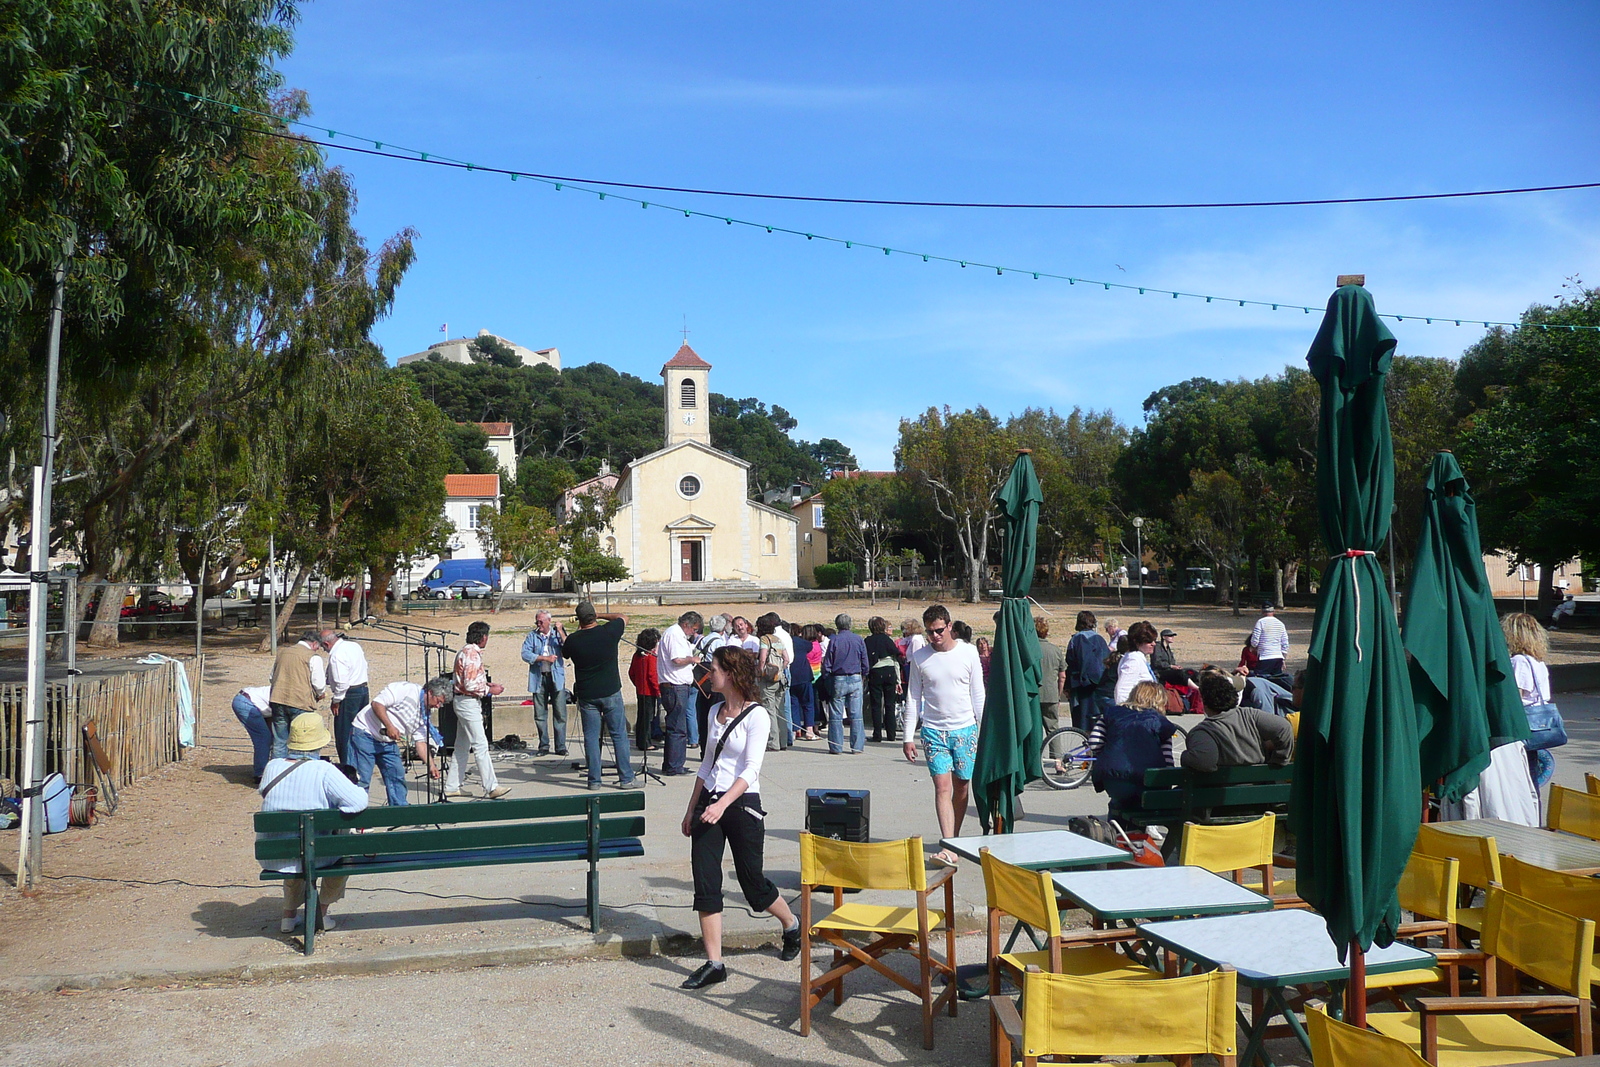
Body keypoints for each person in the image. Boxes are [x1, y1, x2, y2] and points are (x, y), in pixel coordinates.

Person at [679, 645, 802, 990]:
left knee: (754, 886)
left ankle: (791, 925)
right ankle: (714, 962)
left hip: (742, 803)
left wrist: (722, 805)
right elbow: (706, 764)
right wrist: (693, 809)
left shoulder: (757, 716)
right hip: (710, 802)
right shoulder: (714, 710)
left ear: (730, 674)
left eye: (714, 668)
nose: (708, 673)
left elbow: (750, 770)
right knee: (705, 881)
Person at [258, 713, 369, 934]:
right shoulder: (324, 770)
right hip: (317, 855)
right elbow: (358, 802)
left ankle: (288, 916)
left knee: (296, 843)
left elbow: (263, 791)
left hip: (274, 855)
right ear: (320, 741)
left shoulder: (272, 766)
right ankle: (321, 913)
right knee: (338, 845)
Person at [904, 603, 986, 867]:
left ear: (949, 626)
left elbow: (978, 695)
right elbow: (913, 697)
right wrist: (908, 736)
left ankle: (956, 838)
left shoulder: (969, 653)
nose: (935, 636)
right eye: (930, 632)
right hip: (933, 731)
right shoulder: (920, 657)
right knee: (942, 787)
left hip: (965, 729)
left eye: (939, 630)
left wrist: (983, 730)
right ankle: (948, 843)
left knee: (962, 786)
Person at [563, 601, 635, 790]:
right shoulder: (608, 632)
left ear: (579, 619)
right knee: (619, 735)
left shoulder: (574, 640)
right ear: (594, 616)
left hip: (587, 695)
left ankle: (594, 780)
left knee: (592, 738)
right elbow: (623, 617)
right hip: (610, 691)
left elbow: (565, 652)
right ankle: (626, 778)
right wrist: (602, 615)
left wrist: (571, 630)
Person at [349, 676, 448, 806]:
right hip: (365, 733)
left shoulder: (425, 715)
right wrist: (389, 726)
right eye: (438, 701)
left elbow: (420, 742)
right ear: (430, 692)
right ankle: (356, 812)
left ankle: (398, 811)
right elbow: (377, 704)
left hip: (387, 742)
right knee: (361, 778)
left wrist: (431, 765)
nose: (438, 706)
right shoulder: (406, 690)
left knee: (396, 775)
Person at [1087, 680, 1178, 816]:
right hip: (1148, 784)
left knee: (1117, 802)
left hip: (1113, 780)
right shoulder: (1161, 722)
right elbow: (1168, 761)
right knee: (1141, 804)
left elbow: (1094, 743)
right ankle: (1137, 831)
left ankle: (1115, 829)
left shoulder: (1111, 713)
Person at [446, 621, 510, 800]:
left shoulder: (464, 651)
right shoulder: (472, 655)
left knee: (462, 746)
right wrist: (490, 690)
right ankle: (491, 786)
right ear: (483, 637)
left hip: (461, 700)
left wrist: (487, 684)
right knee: (480, 745)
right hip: (468, 703)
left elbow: (466, 679)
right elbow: (470, 684)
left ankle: (452, 785)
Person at [1182, 672, 1294, 773]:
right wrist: (1278, 760)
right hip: (1260, 785)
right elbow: (1284, 728)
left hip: (1221, 790)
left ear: (1205, 703)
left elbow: (1205, 763)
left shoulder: (1203, 731)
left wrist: (1185, 757)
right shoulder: (1251, 715)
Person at [1506, 611, 1557, 793]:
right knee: (1532, 776)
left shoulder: (1518, 662)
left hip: (1523, 727)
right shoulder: (1538, 662)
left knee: (1520, 779)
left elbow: (1514, 699)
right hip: (1538, 726)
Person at [657, 611, 704, 776]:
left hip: (675, 685)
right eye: (694, 629)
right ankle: (674, 765)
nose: (694, 633)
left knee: (676, 726)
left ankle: (672, 763)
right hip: (675, 686)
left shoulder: (676, 634)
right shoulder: (675, 634)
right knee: (678, 728)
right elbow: (676, 660)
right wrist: (692, 659)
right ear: (687, 625)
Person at [268, 631, 327, 760]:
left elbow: (272, 677)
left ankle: (278, 772)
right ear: (314, 643)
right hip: (300, 702)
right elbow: (318, 683)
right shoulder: (312, 657)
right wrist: (320, 694)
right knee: (303, 740)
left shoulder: (282, 652)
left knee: (279, 740)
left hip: (278, 700)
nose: (318, 650)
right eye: (318, 647)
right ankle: (301, 770)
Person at [520, 610, 569, 757]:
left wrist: (560, 631)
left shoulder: (556, 635)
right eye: (537, 622)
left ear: (549, 621)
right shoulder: (532, 636)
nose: (538, 625)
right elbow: (525, 654)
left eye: (541, 622)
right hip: (539, 677)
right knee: (540, 714)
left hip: (556, 678)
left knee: (560, 713)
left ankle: (560, 746)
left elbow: (567, 647)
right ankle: (544, 745)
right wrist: (543, 658)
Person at [821, 613, 870, 754]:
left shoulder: (834, 640)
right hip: (855, 677)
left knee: (836, 715)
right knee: (856, 714)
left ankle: (836, 746)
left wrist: (826, 676)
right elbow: (864, 660)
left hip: (839, 678)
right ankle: (857, 746)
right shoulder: (858, 639)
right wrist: (864, 674)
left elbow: (828, 663)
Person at [321, 629, 369, 766]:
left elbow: (342, 683)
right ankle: (361, 763)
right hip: (363, 690)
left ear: (327, 644)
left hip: (348, 695)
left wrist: (336, 701)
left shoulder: (336, 655)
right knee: (360, 730)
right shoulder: (354, 646)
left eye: (323, 647)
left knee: (344, 732)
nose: (324, 651)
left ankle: (347, 766)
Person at [692, 614, 732, 752]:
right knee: (716, 716)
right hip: (714, 680)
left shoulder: (703, 640)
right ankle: (713, 749)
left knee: (703, 716)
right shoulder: (720, 642)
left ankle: (704, 749)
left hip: (702, 681)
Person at [1065, 611, 1110, 731]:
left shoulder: (1075, 640)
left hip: (1081, 687)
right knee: (1098, 722)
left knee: (1082, 723)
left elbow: (1070, 663)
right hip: (1099, 686)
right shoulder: (1101, 640)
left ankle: (1087, 747)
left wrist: (1067, 687)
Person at [864, 616, 903, 744]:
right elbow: (896, 658)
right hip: (890, 671)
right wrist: (898, 680)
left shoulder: (868, 641)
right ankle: (891, 734)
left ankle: (877, 734)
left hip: (876, 671)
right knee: (889, 704)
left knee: (876, 704)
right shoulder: (888, 640)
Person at [756, 615, 792, 751]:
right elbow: (786, 659)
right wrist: (780, 670)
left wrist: (760, 672)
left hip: (768, 680)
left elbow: (762, 659)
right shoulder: (778, 639)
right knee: (780, 710)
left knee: (769, 710)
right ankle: (783, 741)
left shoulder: (764, 639)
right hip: (780, 678)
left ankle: (773, 742)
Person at [1035, 617, 1067, 750]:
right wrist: (1058, 694)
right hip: (1051, 695)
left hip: (1034, 695)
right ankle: (1057, 760)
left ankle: (1034, 759)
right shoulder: (1055, 650)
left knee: (1034, 730)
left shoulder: (1030, 650)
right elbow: (1062, 676)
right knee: (1053, 728)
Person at [231, 684, 273, 783]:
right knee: (263, 738)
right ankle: (261, 774)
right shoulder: (290, 697)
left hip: (249, 700)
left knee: (269, 736)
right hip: (247, 702)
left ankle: (266, 768)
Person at [630, 628, 662, 752]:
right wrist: (658, 690)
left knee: (641, 717)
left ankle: (641, 741)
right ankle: (646, 743)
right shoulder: (650, 657)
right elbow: (652, 676)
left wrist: (637, 684)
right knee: (648, 718)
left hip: (641, 691)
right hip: (649, 692)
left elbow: (631, 673)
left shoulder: (637, 656)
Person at [1113, 621, 1159, 704]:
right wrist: (1124, 711)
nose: (1153, 644)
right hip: (1137, 710)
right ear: (1137, 642)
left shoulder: (1139, 658)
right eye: (1149, 641)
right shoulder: (1133, 660)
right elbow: (1122, 689)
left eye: (1154, 640)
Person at [788, 625, 818, 742]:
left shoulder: (787, 641)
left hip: (791, 676)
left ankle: (795, 730)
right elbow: (810, 647)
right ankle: (809, 730)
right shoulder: (803, 643)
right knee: (808, 704)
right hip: (804, 675)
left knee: (793, 704)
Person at [1248, 603, 1290, 679]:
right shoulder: (1280, 624)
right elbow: (1285, 643)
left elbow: (1254, 640)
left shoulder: (1260, 622)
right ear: (1273, 611)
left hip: (1265, 656)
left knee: (1260, 680)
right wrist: (1283, 658)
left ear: (1262, 611)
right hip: (1278, 657)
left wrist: (1254, 648)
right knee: (1277, 681)